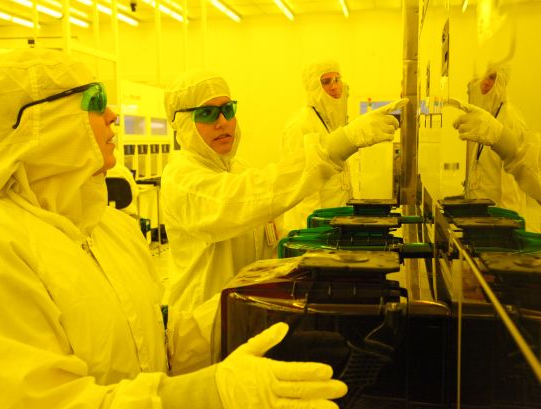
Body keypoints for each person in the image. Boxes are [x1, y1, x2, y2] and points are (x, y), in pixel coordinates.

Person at [0, 48, 349, 409]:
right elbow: (45, 405)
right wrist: (203, 396)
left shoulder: (107, 227)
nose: (113, 116)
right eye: (95, 102)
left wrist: (253, 313)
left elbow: (157, 344)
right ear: (39, 122)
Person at [160, 68, 407, 313]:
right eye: (207, 113)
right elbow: (244, 197)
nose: (222, 122)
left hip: (243, 314)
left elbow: (266, 239)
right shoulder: (181, 178)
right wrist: (338, 145)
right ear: (183, 124)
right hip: (203, 327)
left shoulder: (238, 168)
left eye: (227, 110)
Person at [447, 64, 541, 218]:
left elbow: (512, 185)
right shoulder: (490, 115)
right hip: (484, 216)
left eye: (492, 77)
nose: (485, 82)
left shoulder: (511, 119)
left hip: (499, 218)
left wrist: (508, 221)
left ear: (502, 81)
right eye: (485, 76)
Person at [280, 59, 352, 232]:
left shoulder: (333, 121)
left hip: (336, 222)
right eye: (326, 82)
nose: (334, 87)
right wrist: (315, 234)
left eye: (337, 79)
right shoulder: (300, 126)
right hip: (316, 229)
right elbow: (305, 191)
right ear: (313, 87)